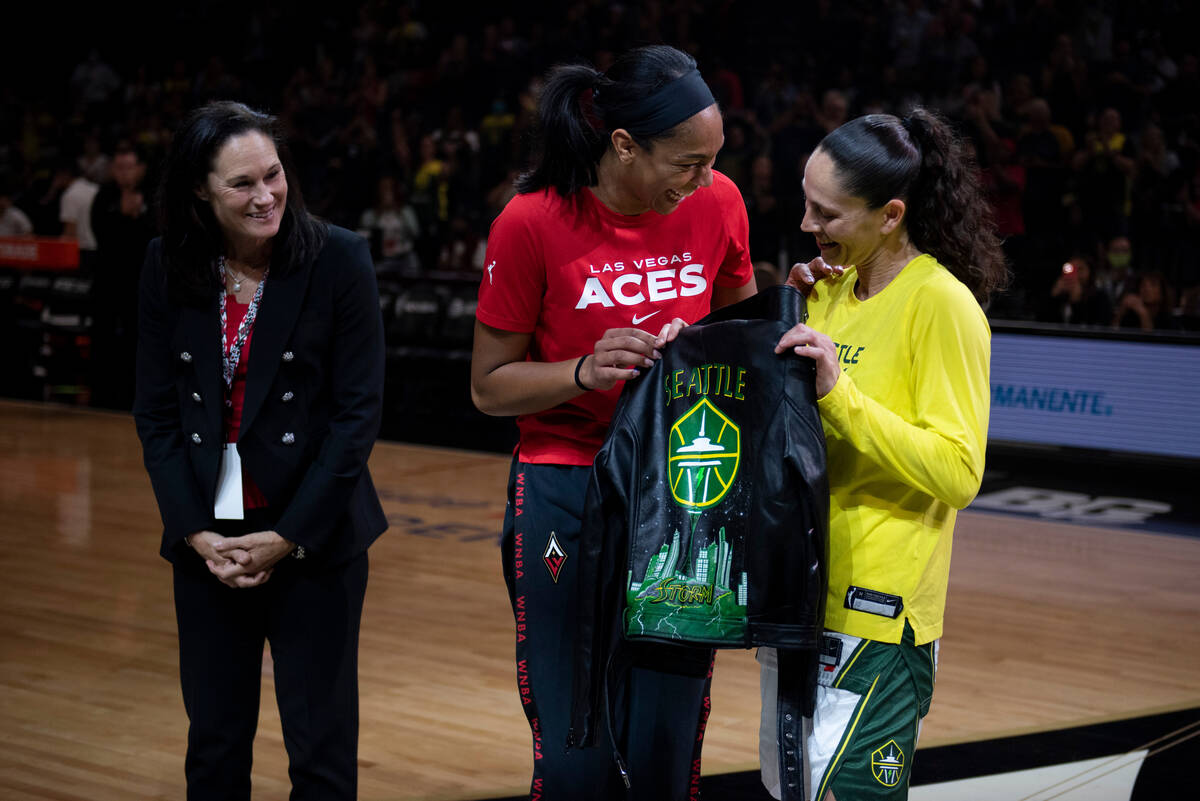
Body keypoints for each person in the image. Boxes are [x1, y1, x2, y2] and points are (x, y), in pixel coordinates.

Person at [470, 45, 760, 800]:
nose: (704, 181)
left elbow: (741, 346)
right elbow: (489, 387)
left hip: (685, 492)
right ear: (624, 146)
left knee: (665, 747)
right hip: (567, 483)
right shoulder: (530, 221)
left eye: (712, 162)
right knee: (576, 751)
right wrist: (582, 370)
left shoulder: (721, 202)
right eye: (687, 164)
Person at [133, 100, 386, 801]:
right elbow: (155, 412)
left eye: (273, 175)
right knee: (213, 745)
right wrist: (196, 532)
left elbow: (355, 418)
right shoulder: (167, 263)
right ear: (200, 191)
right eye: (242, 184)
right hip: (209, 538)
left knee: (321, 752)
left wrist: (289, 537)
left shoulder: (340, 258)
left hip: (315, 536)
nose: (266, 194)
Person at [760, 108, 1005, 801]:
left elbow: (959, 471)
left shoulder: (944, 305)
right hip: (803, 594)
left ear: (891, 214)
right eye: (807, 202)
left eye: (828, 213)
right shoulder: (828, 291)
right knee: (792, 792)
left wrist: (841, 392)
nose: (809, 224)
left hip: (882, 613)